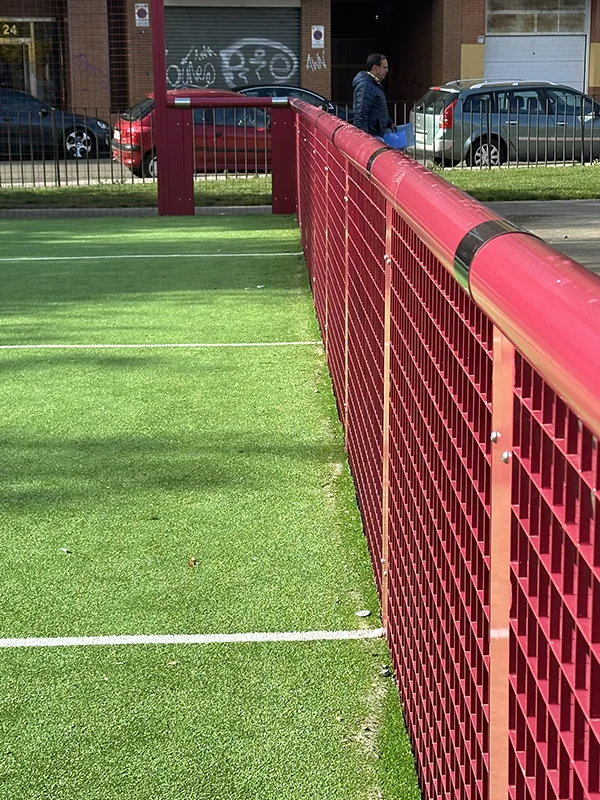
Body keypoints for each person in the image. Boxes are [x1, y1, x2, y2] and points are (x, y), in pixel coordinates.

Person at [352, 53, 396, 140]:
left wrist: (389, 122)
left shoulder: (372, 84)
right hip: (372, 135)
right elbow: (361, 112)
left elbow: (377, 108)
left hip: (375, 133)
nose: (387, 70)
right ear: (375, 68)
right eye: (384, 67)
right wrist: (365, 139)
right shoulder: (366, 85)